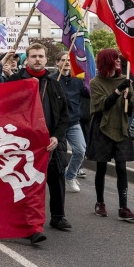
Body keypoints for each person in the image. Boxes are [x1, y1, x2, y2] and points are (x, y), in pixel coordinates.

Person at [5, 42, 71, 241]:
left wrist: (56, 137)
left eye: (41, 56)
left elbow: (64, 116)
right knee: (27, 183)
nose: (37, 59)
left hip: (50, 142)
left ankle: (58, 217)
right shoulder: (16, 81)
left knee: (57, 179)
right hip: (24, 144)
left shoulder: (54, 84)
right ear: (27, 58)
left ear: (46, 59)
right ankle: (26, 221)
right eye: (33, 56)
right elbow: (6, 110)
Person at [88, 48, 134, 221]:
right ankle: (100, 202)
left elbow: (132, 108)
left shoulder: (125, 80)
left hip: (120, 127)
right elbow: (102, 104)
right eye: (115, 59)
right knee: (101, 167)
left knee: (121, 168)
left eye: (119, 59)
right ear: (106, 61)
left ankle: (123, 207)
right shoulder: (96, 82)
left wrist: (127, 99)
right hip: (102, 128)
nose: (119, 61)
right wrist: (118, 92)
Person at [54, 52, 90, 192]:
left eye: (69, 60)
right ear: (57, 63)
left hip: (73, 122)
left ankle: (70, 175)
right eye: (63, 60)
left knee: (80, 151)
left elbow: (90, 94)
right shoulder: (52, 80)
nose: (67, 62)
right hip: (56, 125)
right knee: (57, 157)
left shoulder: (77, 81)